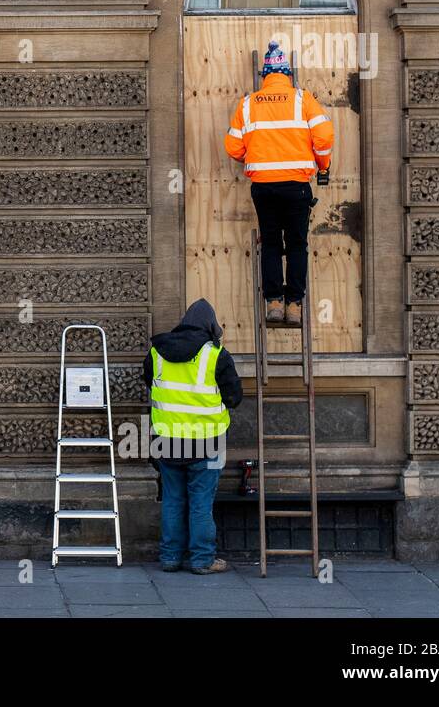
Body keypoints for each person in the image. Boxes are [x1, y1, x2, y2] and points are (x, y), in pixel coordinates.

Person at [224, 41, 334, 326]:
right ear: (288, 74)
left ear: (265, 76)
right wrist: (322, 165)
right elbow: (324, 138)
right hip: (296, 185)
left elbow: (233, 147)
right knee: (297, 244)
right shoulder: (302, 98)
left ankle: (273, 302)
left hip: (264, 187)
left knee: (271, 243)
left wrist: (257, 153)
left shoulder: (248, 103)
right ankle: (294, 305)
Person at [143, 299, 243, 574]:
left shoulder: (157, 352)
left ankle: (170, 558)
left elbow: (149, 383)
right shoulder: (216, 355)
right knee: (201, 501)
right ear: (211, 326)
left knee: (173, 500)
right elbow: (234, 397)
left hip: (166, 440)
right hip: (207, 442)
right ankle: (202, 560)